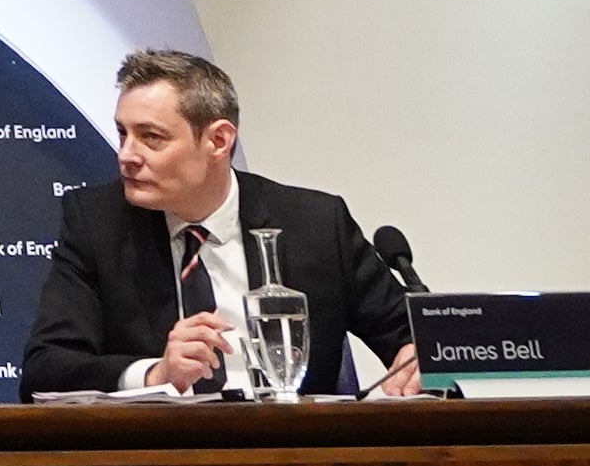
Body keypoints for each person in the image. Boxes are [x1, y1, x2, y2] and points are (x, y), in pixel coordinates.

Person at [23, 46, 417, 396]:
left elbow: (411, 335)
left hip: (298, 458)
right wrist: (155, 373)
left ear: (218, 140)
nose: (127, 154)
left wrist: (420, 358)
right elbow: (46, 369)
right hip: (158, 461)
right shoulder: (98, 225)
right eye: (123, 133)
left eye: (151, 137)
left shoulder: (314, 224)